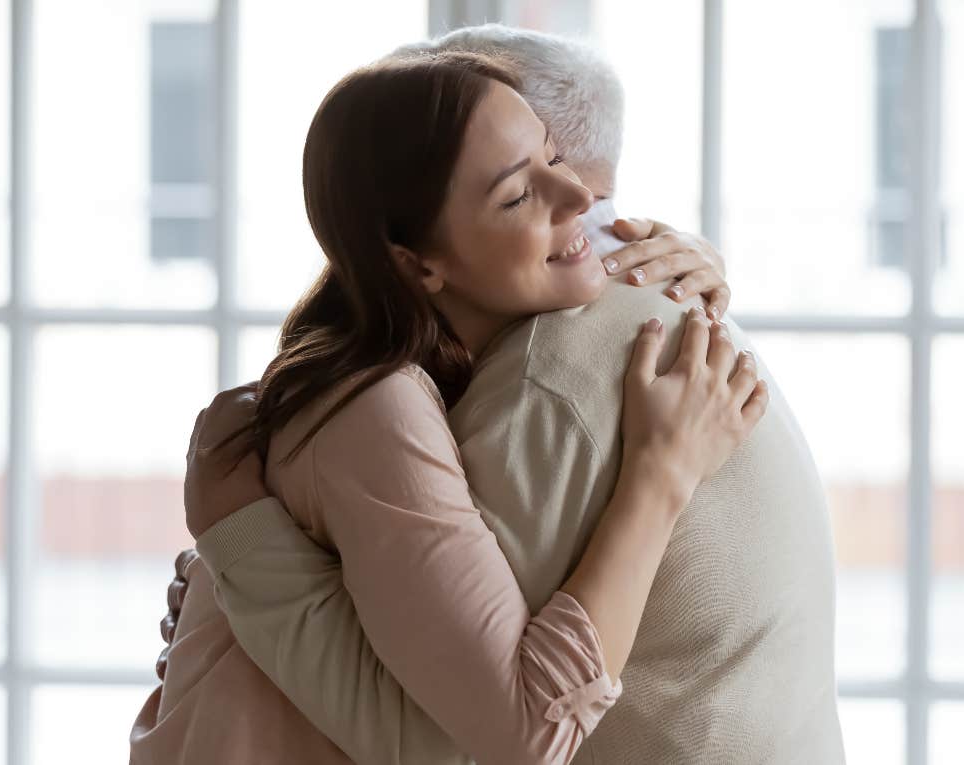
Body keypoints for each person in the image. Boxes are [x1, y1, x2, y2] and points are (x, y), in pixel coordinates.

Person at [130, 48, 767, 765]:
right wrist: (662, 474)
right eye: (516, 195)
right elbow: (530, 733)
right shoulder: (374, 403)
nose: (579, 199)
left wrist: (697, 260)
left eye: (554, 157)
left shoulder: (420, 379)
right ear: (414, 263)